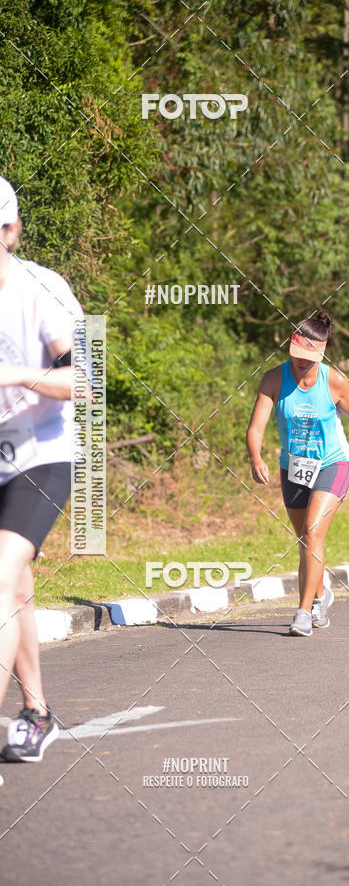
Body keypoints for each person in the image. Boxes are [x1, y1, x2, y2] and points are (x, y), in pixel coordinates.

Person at [0, 176, 82, 782]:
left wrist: (13, 375)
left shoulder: (41, 291)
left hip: (43, 453)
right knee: (15, 587)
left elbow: (78, 379)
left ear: (10, 231)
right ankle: (37, 711)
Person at [246, 311, 349, 637]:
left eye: (310, 357)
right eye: (297, 354)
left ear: (323, 352)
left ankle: (303, 611)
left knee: (312, 533)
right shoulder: (273, 379)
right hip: (294, 467)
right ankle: (321, 594)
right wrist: (255, 456)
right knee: (306, 541)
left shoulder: (335, 381)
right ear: (290, 346)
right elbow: (256, 427)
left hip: (333, 464)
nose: (302, 362)